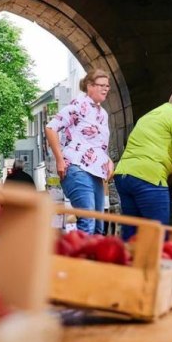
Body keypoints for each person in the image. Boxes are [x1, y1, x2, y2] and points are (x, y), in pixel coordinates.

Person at [113, 89, 172, 241]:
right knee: (159, 236)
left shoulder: (150, 116)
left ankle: (132, 264)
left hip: (124, 176)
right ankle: (155, 264)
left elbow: (168, 163)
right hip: (148, 178)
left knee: (132, 236)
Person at [46, 68, 113, 234]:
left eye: (108, 86)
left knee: (99, 226)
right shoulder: (78, 106)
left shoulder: (102, 114)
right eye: (101, 85)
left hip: (96, 172)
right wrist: (60, 160)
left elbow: (98, 144)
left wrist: (108, 160)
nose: (106, 89)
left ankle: (93, 259)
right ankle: (78, 258)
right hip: (77, 168)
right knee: (88, 222)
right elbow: (51, 128)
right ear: (89, 86)